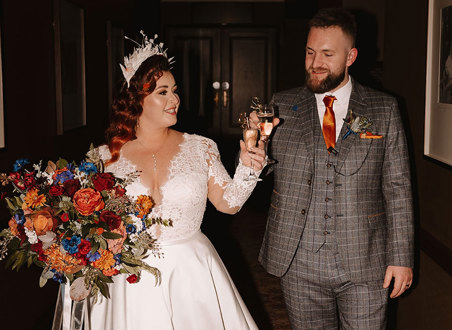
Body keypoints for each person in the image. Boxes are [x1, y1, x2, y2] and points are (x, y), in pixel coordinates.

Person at [82, 34, 265, 329]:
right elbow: (87, 224)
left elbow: (228, 205)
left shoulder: (200, 148)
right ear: (136, 99)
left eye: (175, 91)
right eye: (163, 92)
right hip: (129, 279)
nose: (175, 99)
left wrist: (248, 167)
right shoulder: (104, 158)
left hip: (191, 275)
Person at [256, 8, 414, 329]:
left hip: (366, 260)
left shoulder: (383, 109)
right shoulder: (281, 106)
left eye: (328, 54)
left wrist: (402, 257)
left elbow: (397, 188)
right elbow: (255, 170)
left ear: (351, 56)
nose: (316, 63)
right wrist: (250, 152)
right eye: (310, 52)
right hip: (298, 261)